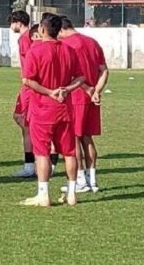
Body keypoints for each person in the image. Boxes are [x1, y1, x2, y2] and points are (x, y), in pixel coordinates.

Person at [20, 14, 85, 207]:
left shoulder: (35, 50)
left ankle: (44, 194)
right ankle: (72, 193)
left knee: (42, 152)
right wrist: (66, 89)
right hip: (65, 108)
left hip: (43, 108)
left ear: (42, 29)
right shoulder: (68, 50)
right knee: (70, 152)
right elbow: (81, 77)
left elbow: (27, 80)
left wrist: (50, 92)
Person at [59, 16, 109, 193]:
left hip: (76, 96)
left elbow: (72, 73)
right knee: (87, 137)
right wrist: (96, 91)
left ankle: (80, 180)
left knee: (73, 137)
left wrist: (87, 89)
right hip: (91, 97)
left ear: (61, 30)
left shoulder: (67, 44)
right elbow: (104, 70)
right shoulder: (92, 42)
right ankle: (92, 180)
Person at [9, 10, 36, 178]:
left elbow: (31, 60)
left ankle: (30, 165)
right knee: (21, 118)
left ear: (18, 23)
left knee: (24, 121)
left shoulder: (24, 39)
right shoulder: (30, 36)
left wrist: (29, 79)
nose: (10, 26)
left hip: (29, 85)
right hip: (29, 84)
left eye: (12, 23)